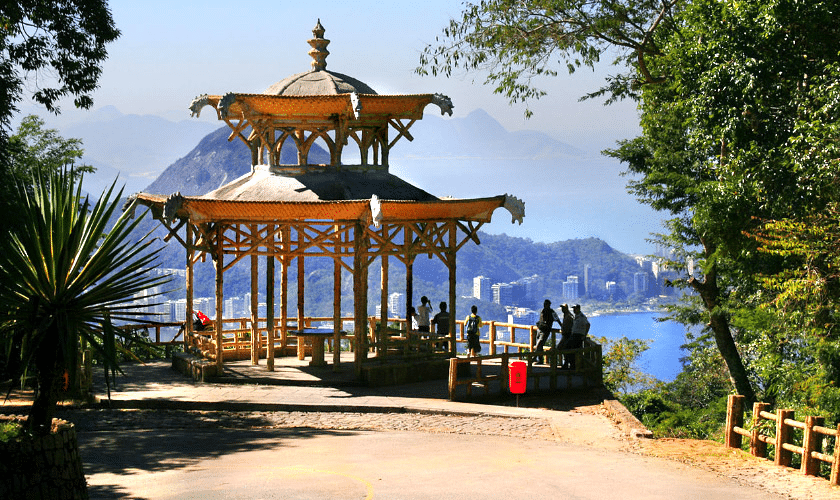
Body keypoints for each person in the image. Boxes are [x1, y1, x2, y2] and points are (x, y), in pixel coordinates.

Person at [534, 299, 561, 364]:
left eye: (546, 304)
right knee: (539, 345)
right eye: (544, 304)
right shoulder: (542, 311)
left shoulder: (551, 312)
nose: (545, 305)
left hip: (545, 331)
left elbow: (557, 319)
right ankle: (540, 360)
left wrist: (561, 326)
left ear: (549, 305)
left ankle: (534, 357)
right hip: (540, 329)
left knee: (539, 344)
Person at [568, 304, 590, 370]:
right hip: (573, 335)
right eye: (573, 309)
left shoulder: (582, 317)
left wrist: (584, 335)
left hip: (578, 336)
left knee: (576, 351)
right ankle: (572, 365)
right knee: (570, 350)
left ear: (578, 309)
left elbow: (588, 325)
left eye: (575, 308)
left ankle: (576, 367)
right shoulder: (576, 316)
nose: (574, 310)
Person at [556, 304, 574, 368]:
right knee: (563, 349)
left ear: (566, 308)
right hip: (565, 335)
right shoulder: (566, 315)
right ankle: (566, 364)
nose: (562, 309)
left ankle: (567, 364)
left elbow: (570, 326)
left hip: (567, 335)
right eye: (562, 308)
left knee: (563, 348)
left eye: (563, 308)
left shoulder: (569, 316)